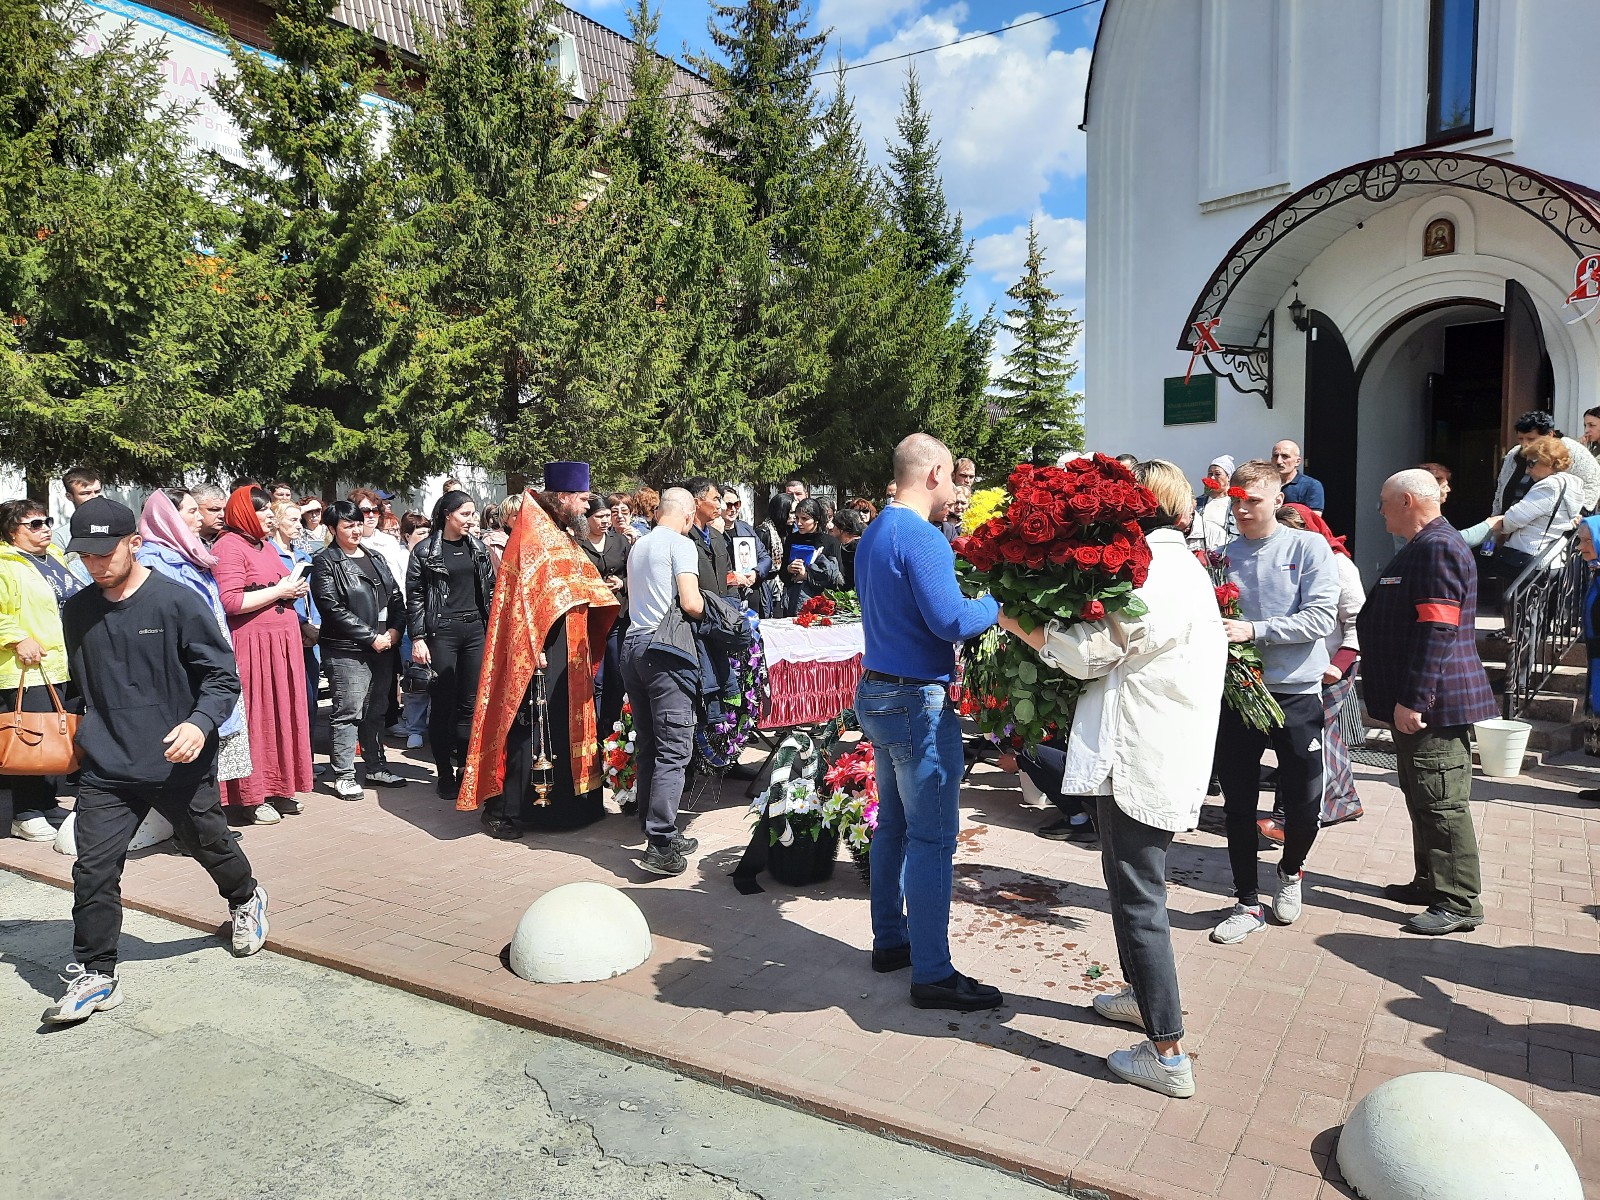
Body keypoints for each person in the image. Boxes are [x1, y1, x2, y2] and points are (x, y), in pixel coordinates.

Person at [999, 459, 1223, 1098]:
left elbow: (1091, 652)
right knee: (1127, 888)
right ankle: (1140, 995)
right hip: (1145, 749)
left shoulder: (1158, 573)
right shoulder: (1179, 564)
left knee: (1139, 899)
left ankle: (1168, 1053)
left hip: (1143, 757)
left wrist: (1016, 619)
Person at [43, 498, 269, 1025]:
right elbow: (86, 684)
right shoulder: (76, 611)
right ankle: (97, 973)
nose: (95, 564)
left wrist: (199, 724)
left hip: (177, 761)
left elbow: (221, 678)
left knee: (206, 842)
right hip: (106, 765)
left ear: (134, 544)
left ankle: (246, 896)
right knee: (93, 867)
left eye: (105, 553)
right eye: (85, 555)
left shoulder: (177, 602)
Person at [855, 433, 1003, 1012]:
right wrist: (995, 603)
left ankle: (891, 940)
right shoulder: (921, 535)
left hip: (880, 691)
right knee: (933, 837)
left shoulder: (876, 530)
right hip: (916, 700)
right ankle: (934, 973)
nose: (958, 496)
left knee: (893, 824)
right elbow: (950, 620)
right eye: (955, 482)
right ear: (937, 472)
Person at [1360, 469, 1497, 934]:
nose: (1379, 511)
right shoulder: (1425, 545)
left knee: (1441, 802)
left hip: (1433, 705)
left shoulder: (1438, 546)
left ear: (1407, 501)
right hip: (1423, 701)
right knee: (1423, 795)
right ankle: (1432, 882)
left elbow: (1437, 629)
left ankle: (1458, 902)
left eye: (1384, 501)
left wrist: (1414, 699)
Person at [1211, 460, 1339, 945]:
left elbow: (1321, 618)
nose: (1243, 509)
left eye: (1254, 500)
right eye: (1236, 499)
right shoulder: (1220, 557)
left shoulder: (1307, 547)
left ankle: (1291, 872)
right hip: (1239, 692)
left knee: (1305, 804)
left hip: (1296, 691)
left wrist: (1255, 631)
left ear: (1278, 500)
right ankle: (1246, 901)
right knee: (1238, 802)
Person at [459, 463, 619, 839]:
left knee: (564, 726)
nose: (585, 506)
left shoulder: (560, 533)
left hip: (570, 646)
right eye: (582, 499)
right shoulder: (532, 537)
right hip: (540, 651)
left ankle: (570, 807)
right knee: (529, 727)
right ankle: (506, 809)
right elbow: (522, 605)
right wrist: (533, 647)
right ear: (562, 498)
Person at [1259, 505, 1366, 839]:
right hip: (1304, 666)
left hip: (1334, 666)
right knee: (1326, 737)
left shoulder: (1337, 564)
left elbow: (1357, 620)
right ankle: (1344, 802)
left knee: (1304, 742)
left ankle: (1288, 818)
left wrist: (1339, 665)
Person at [136, 489, 252, 791]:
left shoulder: (191, 554)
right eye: (191, 512)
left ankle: (204, 815)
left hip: (209, 650)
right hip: (184, 659)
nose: (200, 518)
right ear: (168, 518)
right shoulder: (152, 561)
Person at [213, 486, 313, 824]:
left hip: (280, 644)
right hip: (251, 646)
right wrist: (280, 590)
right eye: (262, 510)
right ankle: (250, 797)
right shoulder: (229, 546)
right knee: (256, 718)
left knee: (281, 714)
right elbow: (231, 601)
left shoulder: (266, 545)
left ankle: (278, 787)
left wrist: (292, 588)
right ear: (243, 513)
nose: (270, 515)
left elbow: (274, 587)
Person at [617, 488, 704, 875]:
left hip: (633, 645)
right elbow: (690, 602)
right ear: (686, 515)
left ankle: (653, 828)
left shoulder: (641, 544)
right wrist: (718, 610)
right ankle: (661, 842)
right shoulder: (681, 545)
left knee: (651, 744)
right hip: (663, 649)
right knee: (674, 749)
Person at [311, 501, 407, 799]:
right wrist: (369, 636)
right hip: (347, 648)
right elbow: (332, 608)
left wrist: (394, 630)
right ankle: (344, 772)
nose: (355, 530)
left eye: (358, 523)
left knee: (377, 709)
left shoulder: (375, 556)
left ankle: (376, 765)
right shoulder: (326, 562)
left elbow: (395, 597)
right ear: (332, 529)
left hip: (384, 644)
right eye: (347, 525)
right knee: (348, 710)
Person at [0, 498, 81, 840]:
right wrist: (17, 638)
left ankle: (46, 801)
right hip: (26, 666)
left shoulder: (55, 559)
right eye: (33, 524)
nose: (45, 527)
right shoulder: (5, 565)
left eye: (46, 521)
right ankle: (24, 812)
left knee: (54, 734)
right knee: (28, 737)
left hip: (61, 663)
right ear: (10, 532)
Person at [407, 491, 496, 797]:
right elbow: (415, 597)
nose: (471, 520)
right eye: (465, 514)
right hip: (442, 631)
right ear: (447, 515)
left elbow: (492, 589)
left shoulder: (479, 548)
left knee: (470, 705)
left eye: (473, 514)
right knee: (443, 704)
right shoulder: (425, 550)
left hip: (475, 632)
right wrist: (418, 637)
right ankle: (444, 772)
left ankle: (465, 770)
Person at [1468, 435, 1583, 607]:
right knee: (1538, 615)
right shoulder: (1573, 485)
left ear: (1550, 462)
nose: (1527, 470)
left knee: (1523, 613)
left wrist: (1498, 523)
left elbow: (1515, 518)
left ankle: (1520, 634)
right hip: (1552, 559)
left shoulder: (1549, 486)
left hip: (1529, 558)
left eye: (1531, 463)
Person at [578, 497, 630, 742]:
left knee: (616, 676)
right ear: (587, 519)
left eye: (608, 516)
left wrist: (623, 584)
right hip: (591, 618)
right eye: (600, 517)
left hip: (618, 616)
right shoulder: (577, 544)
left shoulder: (620, 542)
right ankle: (593, 734)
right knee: (594, 680)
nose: (606, 521)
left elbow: (634, 574)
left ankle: (610, 732)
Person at [270, 499, 323, 731]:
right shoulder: (268, 554)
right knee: (289, 697)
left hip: (311, 636)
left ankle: (307, 761)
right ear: (277, 522)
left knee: (310, 698)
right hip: (287, 631)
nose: (299, 525)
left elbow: (313, 597)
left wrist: (316, 627)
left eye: (299, 520)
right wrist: (301, 625)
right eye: (293, 520)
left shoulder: (303, 556)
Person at [1492, 410, 1600, 515]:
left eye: (1531, 439)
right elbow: (1501, 487)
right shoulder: (1514, 454)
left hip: (1552, 526)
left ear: (1550, 435)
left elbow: (1593, 481)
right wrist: (1496, 516)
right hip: (1509, 522)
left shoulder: (1571, 450)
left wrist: (1579, 514)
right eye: (1521, 439)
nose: (1525, 444)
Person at [781, 498, 844, 613]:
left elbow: (838, 579)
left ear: (816, 520)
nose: (799, 523)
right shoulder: (791, 539)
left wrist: (807, 575)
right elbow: (782, 575)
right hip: (796, 602)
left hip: (822, 603)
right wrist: (789, 569)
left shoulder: (830, 542)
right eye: (797, 518)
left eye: (804, 519)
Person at [719, 485, 769, 611]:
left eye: (737, 504)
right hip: (728, 598)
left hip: (753, 594)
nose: (733, 509)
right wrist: (731, 577)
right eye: (729, 505)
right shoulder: (712, 533)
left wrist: (756, 572)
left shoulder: (745, 528)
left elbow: (765, 557)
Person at [1188, 454, 1237, 552]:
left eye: (1217, 474)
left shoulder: (1234, 504)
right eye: (1210, 474)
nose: (1213, 478)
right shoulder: (1199, 502)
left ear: (1229, 477)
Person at [755, 493, 794, 617]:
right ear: (782, 511)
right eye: (791, 512)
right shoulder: (764, 532)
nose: (794, 517)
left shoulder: (787, 530)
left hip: (783, 585)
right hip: (768, 584)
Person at [1270, 440, 1325, 514]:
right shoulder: (1265, 484)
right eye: (1275, 456)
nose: (1279, 461)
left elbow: (1313, 520)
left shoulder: (1311, 485)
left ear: (1297, 461)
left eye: (1285, 456)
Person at [831, 508, 866, 591]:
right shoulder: (866, 544)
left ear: (841, 529)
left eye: (835, 525)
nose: (832, 529)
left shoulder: (851, 550)